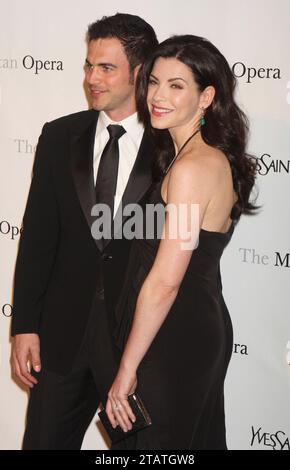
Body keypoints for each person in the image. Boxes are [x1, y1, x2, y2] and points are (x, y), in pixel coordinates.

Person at [10, 13, 163, 450]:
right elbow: (38, 237)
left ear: (140, 71)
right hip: (62, 338)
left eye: (106, 67)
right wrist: (25, 325)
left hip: (137, 343)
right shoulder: (59, 136)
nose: (91, 78)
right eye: (88, 65)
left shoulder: (171, 145)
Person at [105, 34, 257, 450]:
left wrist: (127, 369)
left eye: (176, 86)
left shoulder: (193, 167)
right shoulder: (198, 157)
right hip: (188, 326)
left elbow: (165, 282)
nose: (158, 96)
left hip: (174, 335)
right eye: (154, 82)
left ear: (207, 97)